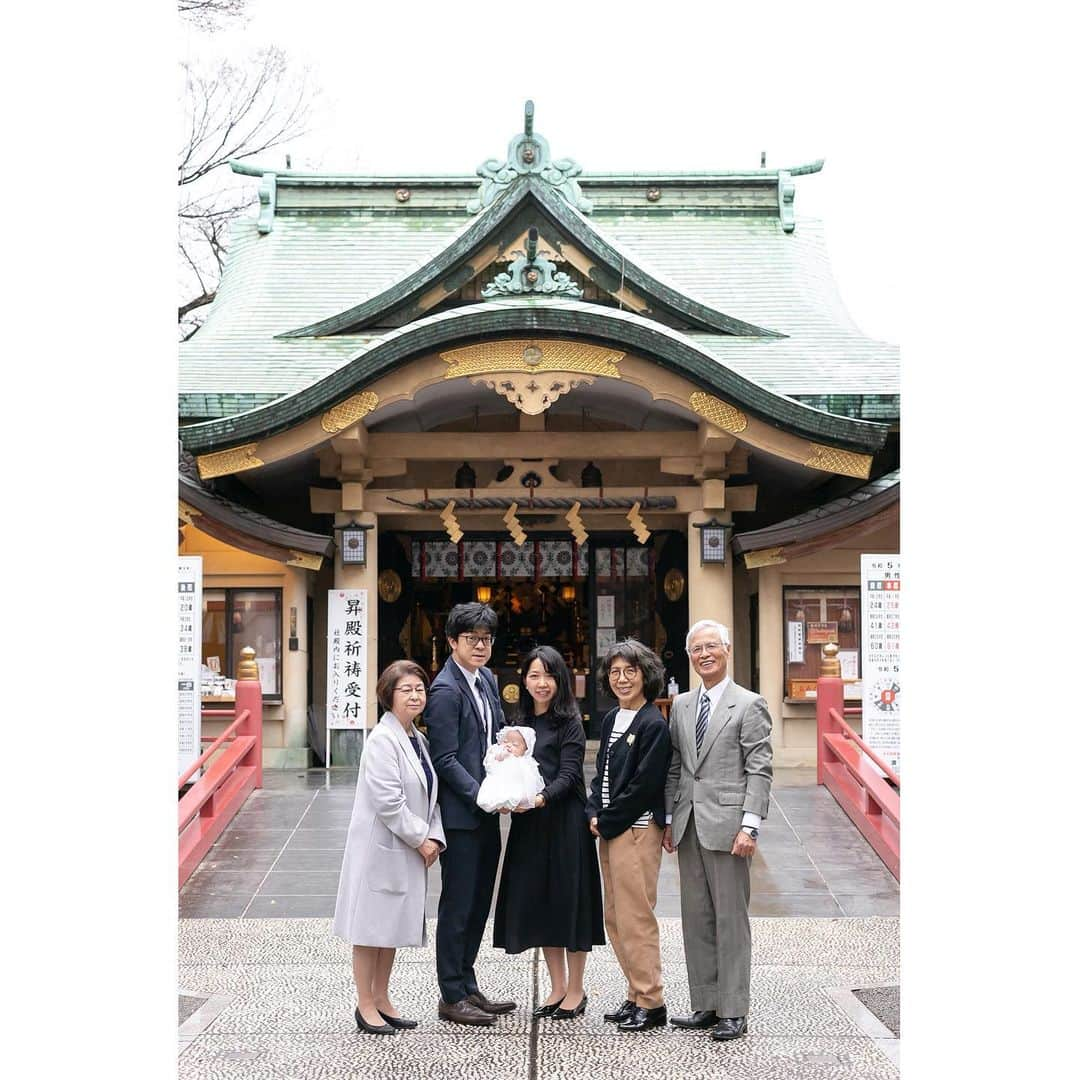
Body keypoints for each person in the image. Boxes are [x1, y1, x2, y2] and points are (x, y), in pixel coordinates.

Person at [663, 619, 773, 1042]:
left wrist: (751, 825)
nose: (704, 654)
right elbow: (676, 765)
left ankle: (733, 1008)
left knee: (730, 918)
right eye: (696, 649)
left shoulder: (749, 704)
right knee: (696, 918)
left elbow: (759, 769)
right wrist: (671, 819)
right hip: (689, 824)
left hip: (730, 828)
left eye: (711, 646)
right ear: (689, 657)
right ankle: (705, 1003)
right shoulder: (683, 704)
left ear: (727, 650)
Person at [332, 660, 444, 1036]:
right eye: (406, 689)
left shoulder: (418, 738)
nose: (415, 695)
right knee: (370, 928)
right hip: (382, 848)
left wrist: (435, 835)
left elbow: (430, 797)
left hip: (407, 847)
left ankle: (383, 998)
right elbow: (388, 801)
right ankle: (365, 1003)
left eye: (420, 689)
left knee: (391, 925)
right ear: (388, 695)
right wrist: (422, 838)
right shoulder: (382, 740)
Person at [493, 646, 605, 1020]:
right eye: (534, 675)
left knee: (568, 903)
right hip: (529, 825)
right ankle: (557, 987)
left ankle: (576, 989)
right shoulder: (519, 722)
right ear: (523, 679)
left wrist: (541, 798)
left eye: (549, 676)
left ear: (561, 680)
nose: (542, 683)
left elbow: (571, 774)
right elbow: (509, 768)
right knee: (542, 903)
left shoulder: (569, 721)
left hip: (565, 822)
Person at [425, 602, 517, 1026]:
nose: (480, 646)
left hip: (486, 810)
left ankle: (467, 983)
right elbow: (444, 759)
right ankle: (450, 993)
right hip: (463, 816)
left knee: (480, 901)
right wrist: (481, 793)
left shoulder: (485, 682)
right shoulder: (445, 690)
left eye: (486, 639)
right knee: (459, 903)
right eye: (471, 639)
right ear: (452, 642)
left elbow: (490, 739)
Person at [586, 639, 673, 1033]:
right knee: (615, 918)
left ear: (645, 675)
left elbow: (643, 786)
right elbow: (601, 774)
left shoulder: (653, 724)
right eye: (615, 672)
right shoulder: (609, 720)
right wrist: (593, 810)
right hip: (611, 828)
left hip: (635, 831)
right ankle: (635, 993)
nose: (622, 679)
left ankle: (652, 1001)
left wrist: (606, 820)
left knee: (636, 917)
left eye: (630, 671)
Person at [476, 726, 545, 813]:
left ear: (525, 750)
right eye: (505, 742)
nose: (508, 745)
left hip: (516, 783)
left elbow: (530, 777)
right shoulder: (501, 754)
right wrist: (501, 755)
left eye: (515, 744)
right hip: (500, 780)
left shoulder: (525, 761)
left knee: (519, 791)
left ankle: (514, 799)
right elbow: (491, 762)